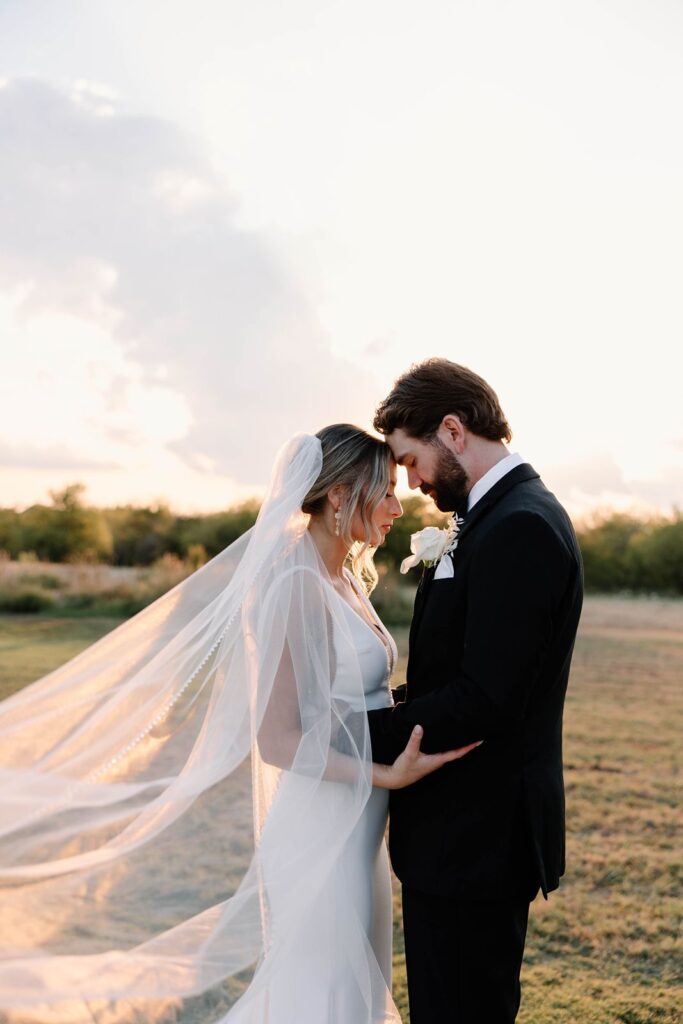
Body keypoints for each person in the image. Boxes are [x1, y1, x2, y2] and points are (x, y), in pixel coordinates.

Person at [0, 424, 476, 1024]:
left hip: (360, 833)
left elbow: (357, 701)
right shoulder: (296, 584)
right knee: (321, 995)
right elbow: (277, 740)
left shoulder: (346, 577)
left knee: (357, 988)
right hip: (321, 830)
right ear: (337, 496)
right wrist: (389, 776)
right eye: (383, 491)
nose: (396, 505)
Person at [367, 359, 584, 1024]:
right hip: (459, 838)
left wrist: (346, 729)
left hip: (477, 837)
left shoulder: (518, 525)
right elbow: (454, 675)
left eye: (410, 461)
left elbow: (485, 698)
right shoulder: (492, 518)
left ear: (452, 430)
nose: (411, 484)